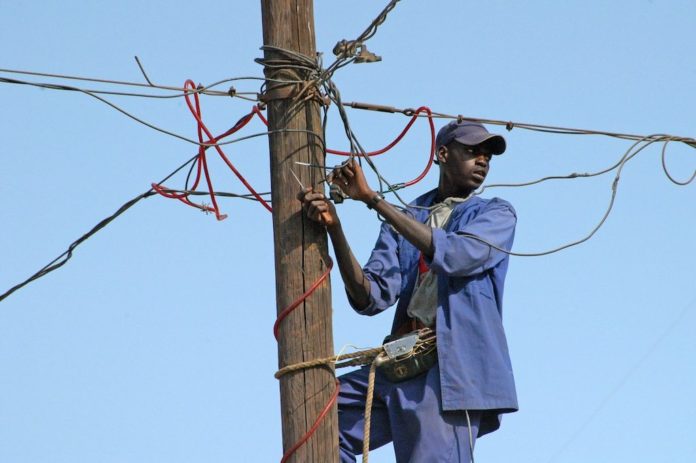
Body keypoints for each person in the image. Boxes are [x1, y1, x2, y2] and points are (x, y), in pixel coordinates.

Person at [299, 120, 518, 463]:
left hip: (448, 370)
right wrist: (335, 229)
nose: (483, 161)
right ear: (443, 154)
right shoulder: (409, 217)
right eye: (473, 151)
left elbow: (457, 257)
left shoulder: (495, 214)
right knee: (315, 420)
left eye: (487, 155)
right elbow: (369, 296)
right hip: (400, 361)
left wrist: (372, 199)